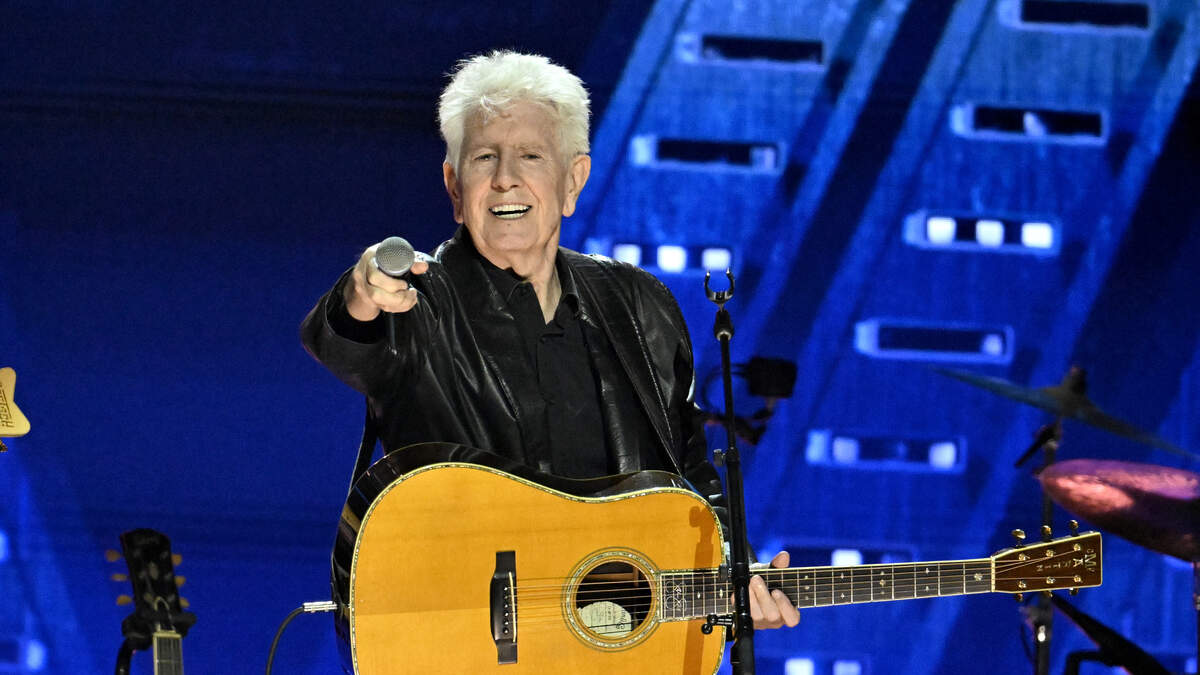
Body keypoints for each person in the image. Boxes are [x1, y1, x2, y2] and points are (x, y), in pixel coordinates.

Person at [300, 50, 798, 630]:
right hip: (460, 642)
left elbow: (689, 475)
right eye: (484, 157)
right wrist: (360, 293)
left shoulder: (640, 305)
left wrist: (736, 572)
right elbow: (343, 340)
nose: (505, 177)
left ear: (573, 180)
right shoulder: (415, 302)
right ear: (455, 185)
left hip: (614, 647)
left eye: (530, 155)